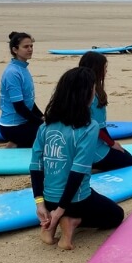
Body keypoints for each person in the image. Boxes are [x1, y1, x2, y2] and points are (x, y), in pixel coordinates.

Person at [30, 67, 125, 250]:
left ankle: (53, 228)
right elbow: (78, 172)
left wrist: (41, 204)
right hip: (76, 200)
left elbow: (35, 166)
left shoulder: (46, 126)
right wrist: (59, 212)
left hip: (48, 200)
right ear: (85, 94)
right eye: (92, 89)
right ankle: (71, 221)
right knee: (116, 215)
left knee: (76, 201)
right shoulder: (89, 127)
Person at [78, 51, 132, 172]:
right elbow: (98, 129)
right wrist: (112, 144)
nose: (106, 71)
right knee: (130, 162)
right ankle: (92, 164)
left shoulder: (75, 89)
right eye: (105, 68)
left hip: (76, 146)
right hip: (92, 148)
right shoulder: (92, 96)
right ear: (97, 69)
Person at [0, 31, 44, 148]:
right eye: (25, 47)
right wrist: (40, 122)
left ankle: (17, 142)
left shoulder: (22, 68)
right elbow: (19, 107)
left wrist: (42, 116)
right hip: (12, 127)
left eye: (31, 46)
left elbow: (28, 101)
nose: (30, 49)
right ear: (15, 50)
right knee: (52, 133)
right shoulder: (12, 73)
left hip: (23, 123)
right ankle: (15, 142)